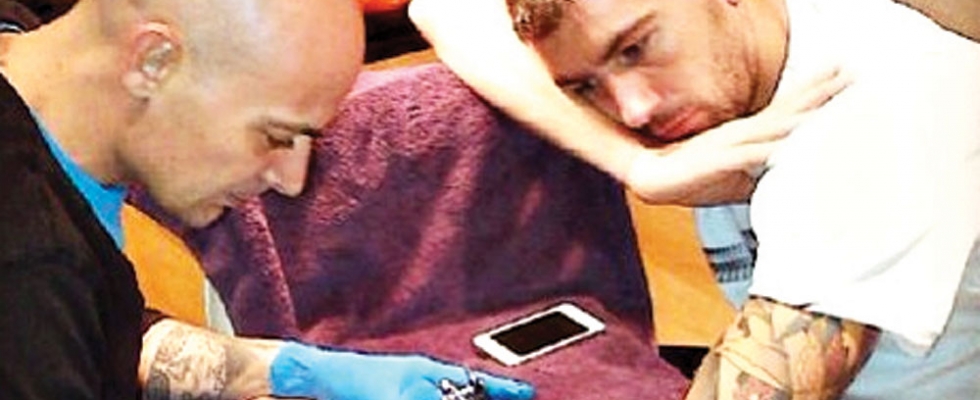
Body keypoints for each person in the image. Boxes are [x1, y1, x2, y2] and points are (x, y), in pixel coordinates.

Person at [409, 0, 980, 398]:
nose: (634, 110)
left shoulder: (872, 111)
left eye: (635, 48)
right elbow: (444, 8)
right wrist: (636, 163)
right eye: (585, 86)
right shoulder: (771, 33)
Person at [0, 0, 538, 399]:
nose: (290, 180)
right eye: (276, 136)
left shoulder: (21, 46)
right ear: (153, 61)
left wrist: (291, 371)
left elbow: (82, 336)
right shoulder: (32, 268)